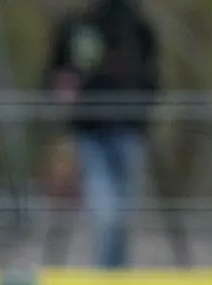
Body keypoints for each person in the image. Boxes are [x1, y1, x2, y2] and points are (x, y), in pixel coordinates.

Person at [46, 0, 159, 269]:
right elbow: (55, 74)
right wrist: (63, 91)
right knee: (105, 211)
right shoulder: (76, 29)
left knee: (123, 216)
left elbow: (153, 77)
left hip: (128, 132)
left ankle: (115, 282)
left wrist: (142, 112)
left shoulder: (138, 28)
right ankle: (106, 279)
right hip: (90, 134)